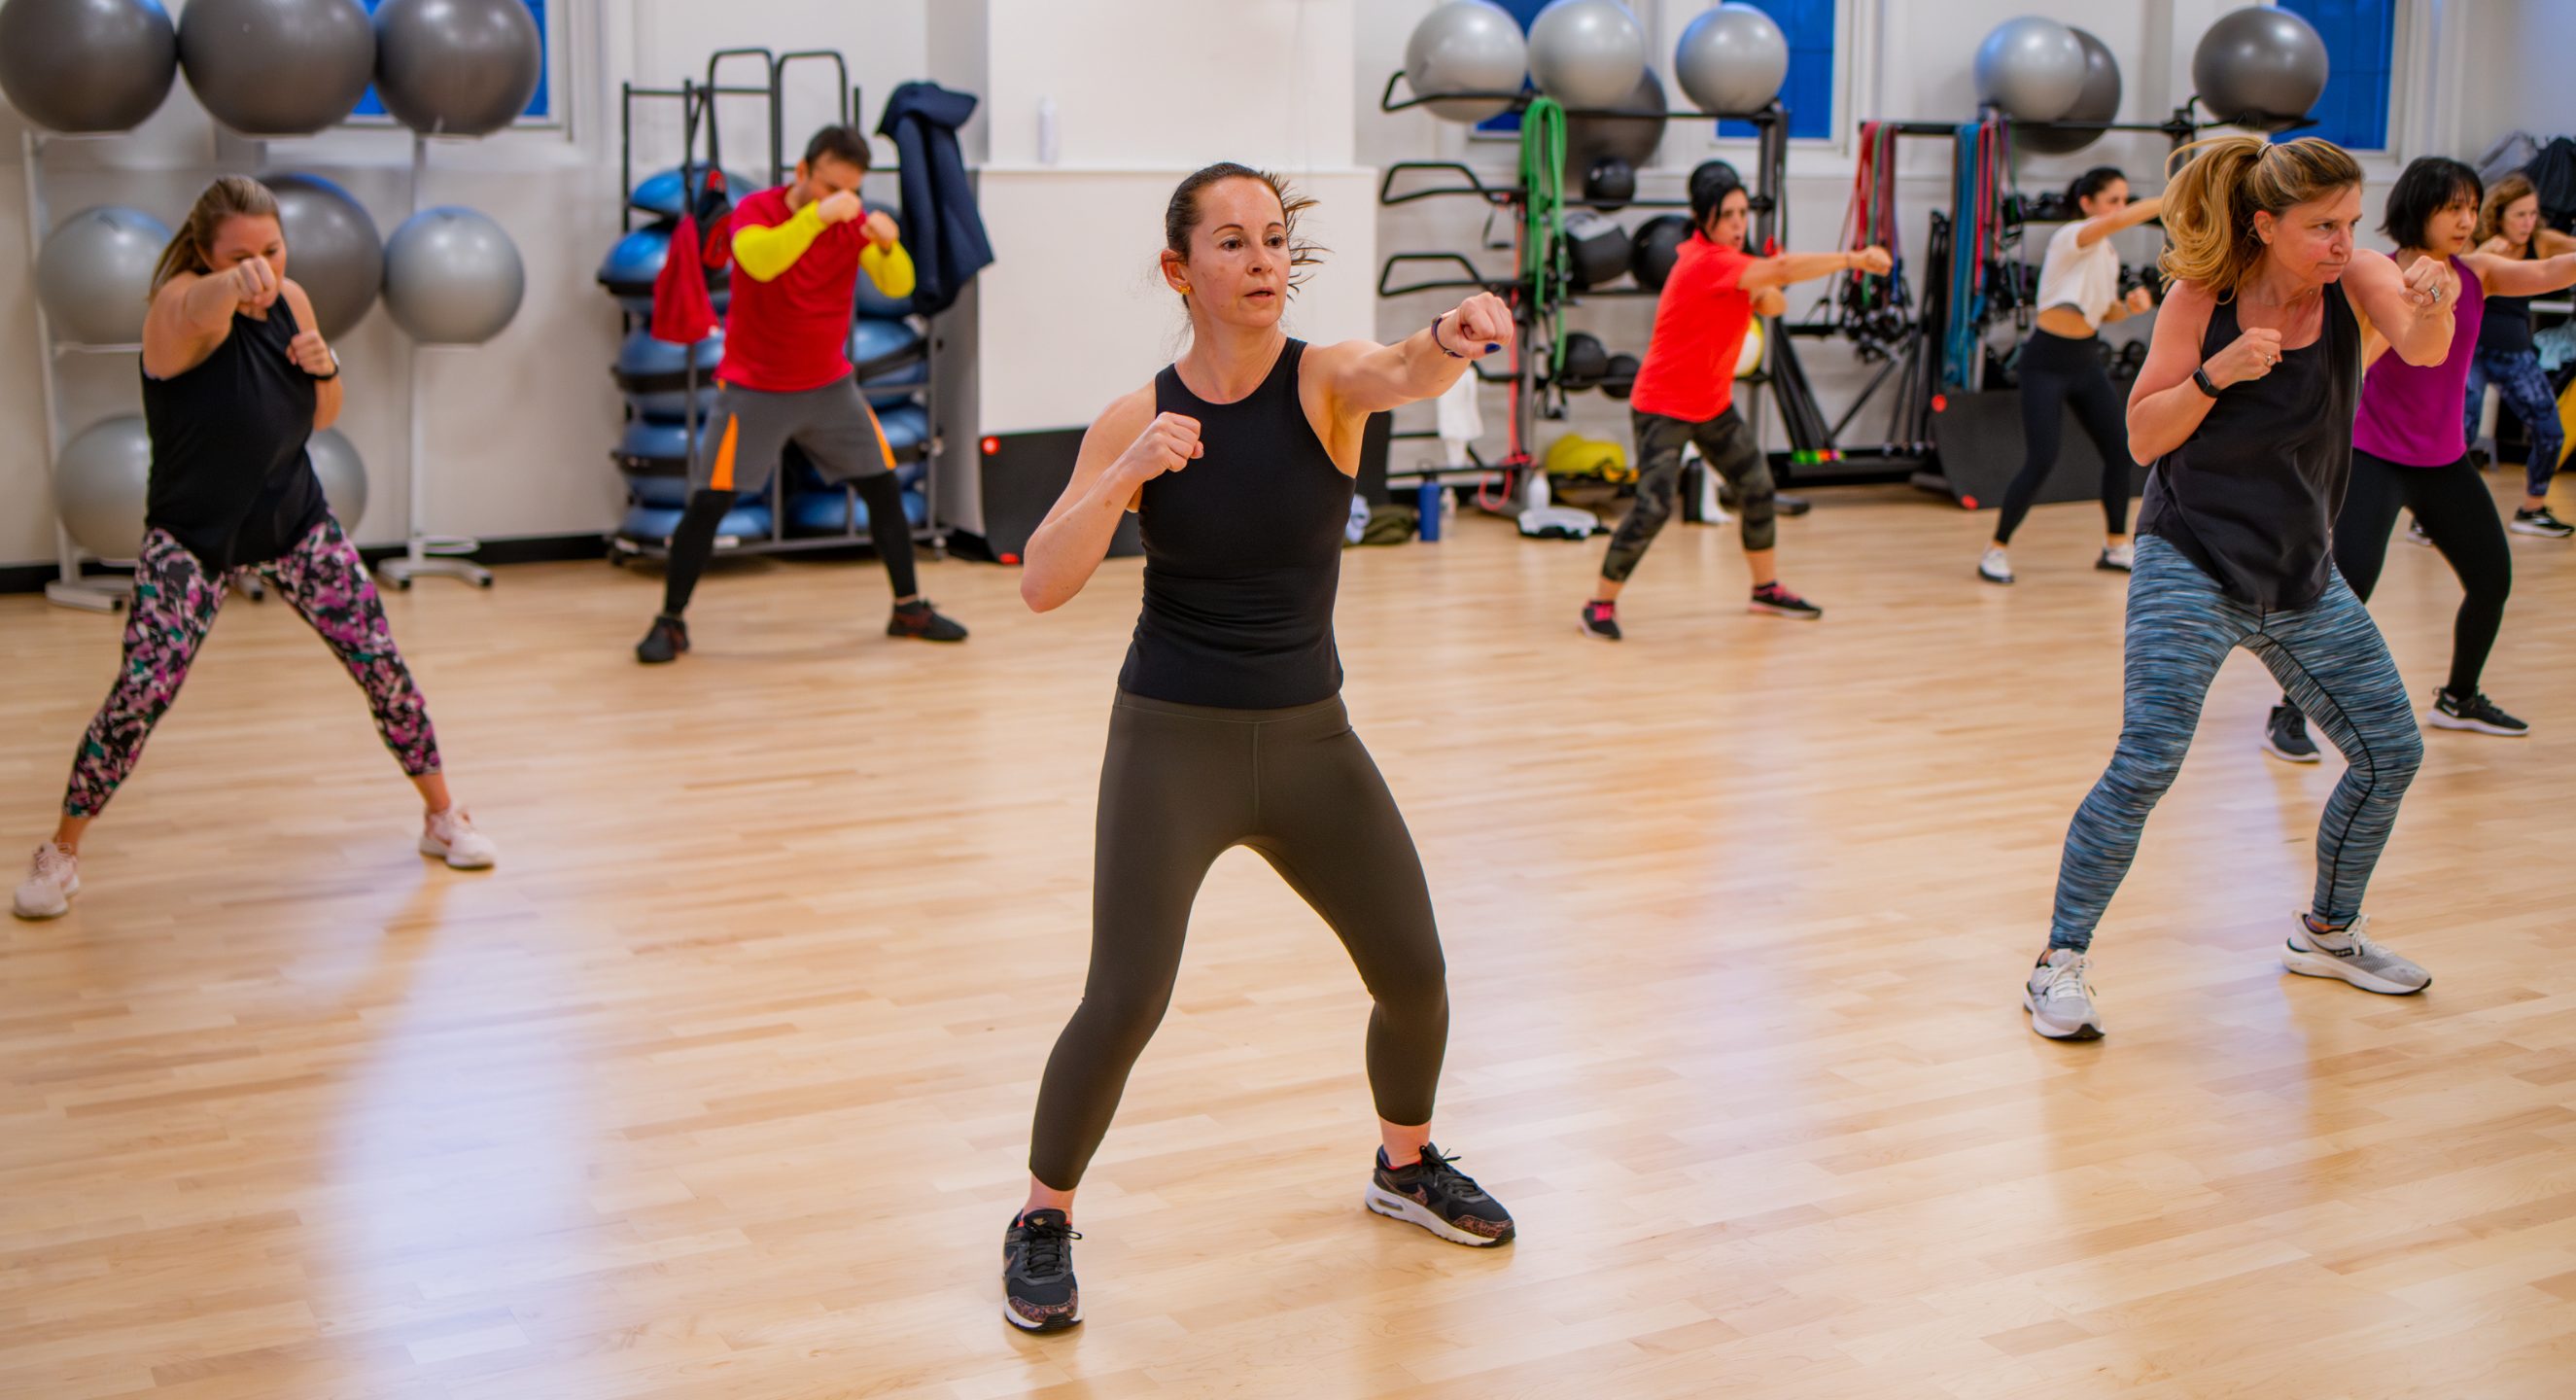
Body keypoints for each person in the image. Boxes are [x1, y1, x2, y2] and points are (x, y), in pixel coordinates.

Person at [998, 163, 1517, 1333]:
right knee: (1125, 996)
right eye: (1231, 243)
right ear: (1182, 271)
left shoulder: (1324, 382)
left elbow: (1404, 368)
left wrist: (1453, 331)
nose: (1264, 261)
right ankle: (1040, 1216)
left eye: (1276, 239)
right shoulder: (1135, 417)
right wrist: (1127, 478)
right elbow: (1039, 582)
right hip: (1169, 738)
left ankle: (1405, 1165)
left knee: (1416, 972)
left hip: (1309, 737)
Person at [2021, 137, 2456, 1042]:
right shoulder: (2201, 301)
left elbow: (2420, 347)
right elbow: (2143, 437)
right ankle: (2058, 962)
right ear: (2265, 225)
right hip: (2193, 558)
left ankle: (2328, 934)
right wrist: (2219, 375)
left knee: (2390, 752)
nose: (2343, 243)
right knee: (2148, 762)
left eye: (2349, 222)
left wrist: (2437, 299)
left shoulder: (2359, 281)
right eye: (2321, 228)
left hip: (2300, 571)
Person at [13, 177, 495, 922]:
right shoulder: (178, 310)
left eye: (273, 249)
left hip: (294, 519)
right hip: (192, 538)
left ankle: (442, 815)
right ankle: (61, 851)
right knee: (140, 692)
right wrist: (235, 282)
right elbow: (203, 309)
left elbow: (323, 415)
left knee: (380, 661)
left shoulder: (293, 300)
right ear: (205, 255)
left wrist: (323, 361)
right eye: (241, 257)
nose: (265, 269)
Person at [2262, 158, 2576, 761]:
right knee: (2346, 589)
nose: (2464, 220)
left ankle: (2459, 697)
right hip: (2374, 457)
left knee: (2492, 579)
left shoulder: (2479, 272)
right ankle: (2288, 708)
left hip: (2445, 461)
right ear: (2418, 209)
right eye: (2450, 208)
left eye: (2471, 208)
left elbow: (2552, 269)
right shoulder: (2372, 273)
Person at [634, 125, 964, 663]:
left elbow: (898, 284)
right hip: (753, 389)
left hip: (830, 387)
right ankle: (670, 622)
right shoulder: (757, 211)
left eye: (850, 190)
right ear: (802, 172)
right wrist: (817, 218)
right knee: (709, 502)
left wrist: (887, 242)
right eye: (829, 185)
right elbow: (759, 260)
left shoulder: (849, 220)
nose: (839, 198)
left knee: (883, 488)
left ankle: (908, 608)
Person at [1576, 173, 1891, 639]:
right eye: (1729, 215)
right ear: (1704, 218)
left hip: (1711, 404)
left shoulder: (1731, 264)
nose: (1739, 223)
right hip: (1663, 405)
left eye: (1744, 214)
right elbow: (1779, 277)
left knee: (1758, 487)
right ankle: (1599, 604)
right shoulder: (1706, 261)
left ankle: (1765, 589)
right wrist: (1854, 258)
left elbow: (1774, 305)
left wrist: (1762, 285)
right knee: (1654, 507)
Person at [1979, 168, 2164, 584]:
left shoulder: (2108, 255)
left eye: (2124, 199)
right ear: (2087, 204)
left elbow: (2104, 312)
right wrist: (2168, 199)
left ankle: (2116, 545)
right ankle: (1996, 550)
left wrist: (2131, 307)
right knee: (2042, 458)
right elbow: (2118, 222)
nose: (2119, 208)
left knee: (2121, 452)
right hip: (2046, 361)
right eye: (2112, 200)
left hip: (2085, 361)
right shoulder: (2072, 236)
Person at [2466, 173, 2576, 538]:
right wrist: (2481, 257)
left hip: (2515, 353)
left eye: (2532, 214)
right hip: (2472, 352)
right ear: (2498, 215)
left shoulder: (2542, 243)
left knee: (2550, 431)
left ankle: (2532, 509)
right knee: (2460, 431)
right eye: (2519, 215)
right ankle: (2432, 518)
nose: (2528, 223)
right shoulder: (2479, 244)